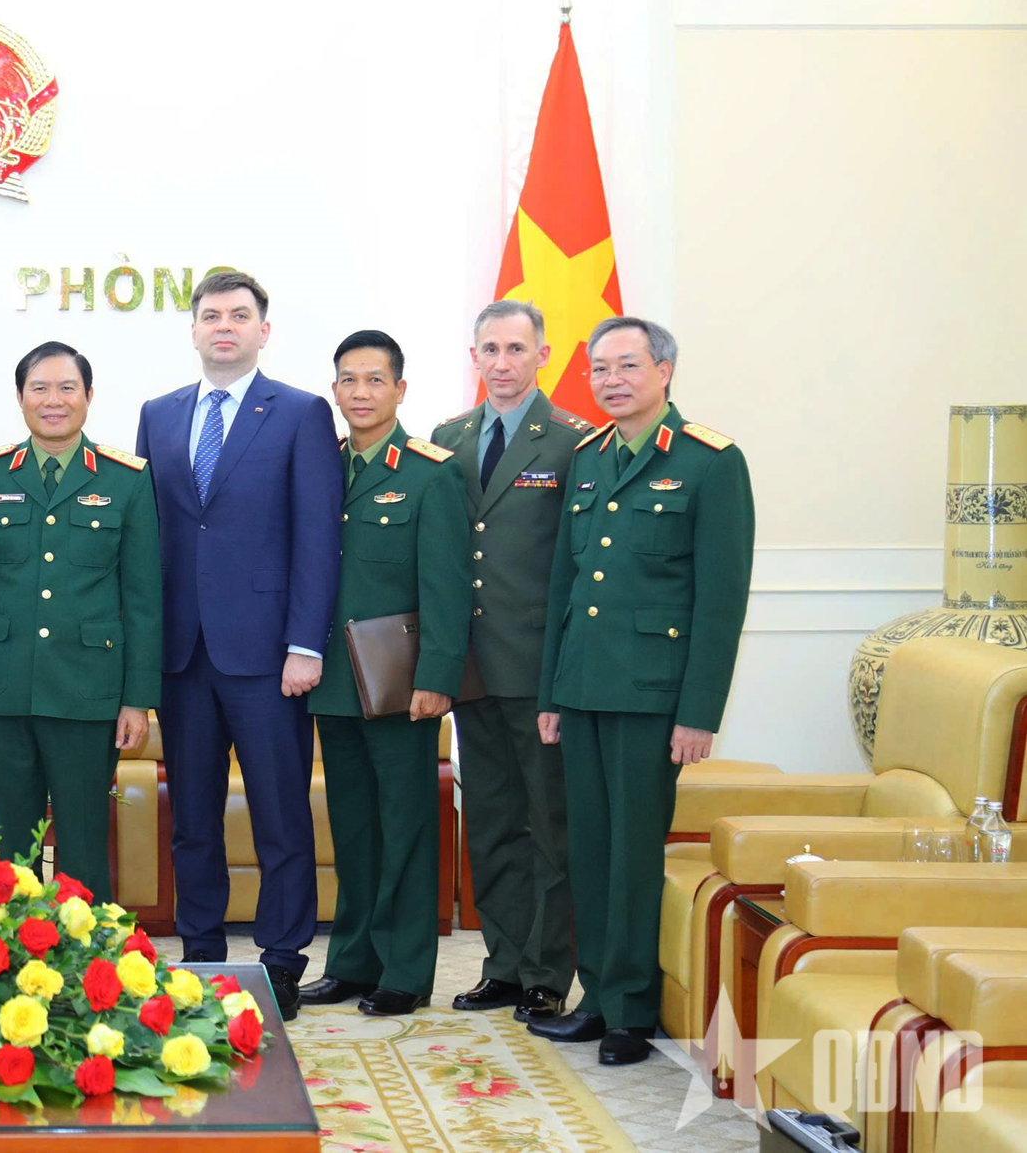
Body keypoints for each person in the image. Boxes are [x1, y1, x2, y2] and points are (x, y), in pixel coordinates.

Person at [528, 316, 754, 1066]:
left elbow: (720, 602)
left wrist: (699, 713)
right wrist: (552, 693)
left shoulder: (710, 462)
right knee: (589, 848)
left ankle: (630, 1009)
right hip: (584, 685)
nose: (611, 380)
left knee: (631, 852)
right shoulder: (588, 457)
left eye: (627, 365)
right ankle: (596, 996)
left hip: (652, 694)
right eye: (599, 368)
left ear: (664, 371)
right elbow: (566, 585)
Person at [134, 270, 343, 1020]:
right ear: (194, 329)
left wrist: (305, 644)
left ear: (263, 330)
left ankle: (282, 959)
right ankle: (200, 952)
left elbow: (317, 538)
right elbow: (148, 539)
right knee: (192, 818)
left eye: (239, 315)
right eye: (212, 315)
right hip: (182, 655)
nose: (224, 326)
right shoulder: (158, 415)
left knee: (280, 814)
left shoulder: (300, 413)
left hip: (267, 656)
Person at [297, 330, 472, 1017]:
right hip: (335, 682)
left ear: (400, 389)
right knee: (354, 828)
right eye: (348, 380)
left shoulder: (430, 472)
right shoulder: (321, 467)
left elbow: (447, 586)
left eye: (375, 380)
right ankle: (351, 961)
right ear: (334, 390)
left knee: (406, 827)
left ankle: (404, 970)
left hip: (401, 682)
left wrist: (438, 676)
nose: (361, 392)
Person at [429, 300, 591, 1024]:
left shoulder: (573, 442)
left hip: (537, 668)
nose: (502, 362)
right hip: (470, 668)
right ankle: (501, 964)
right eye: (489, 349)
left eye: (516, 349)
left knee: (548, 826)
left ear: (542, 355)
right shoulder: (449, 438)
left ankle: (546, 973)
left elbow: (576, 567)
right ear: (474, 357)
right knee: (490, 822)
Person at [0, 342, 160, 899]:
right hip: (5, 685)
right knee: (10, 846)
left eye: (67, 388)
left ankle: (89, 950)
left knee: (84, 841)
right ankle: (13, 948)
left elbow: (143, 599)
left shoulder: (126, 479)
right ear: (20, 397)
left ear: (89, 396)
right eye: (39, 388)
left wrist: (137, 699)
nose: (53, 400)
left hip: (88, 689)